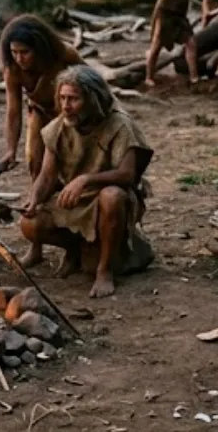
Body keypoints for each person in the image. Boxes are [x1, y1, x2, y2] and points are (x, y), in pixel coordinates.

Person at [19, 65, 156, 298]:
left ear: (93, 99)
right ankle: (76, 248)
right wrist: (34, 200)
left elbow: (127, 175)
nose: (65, 106)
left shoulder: (119, 124)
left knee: (112, 196)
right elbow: (47, 175)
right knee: (29, 224)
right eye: (62, 98)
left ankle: (105, 269)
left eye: (73, 99)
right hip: (77, 199)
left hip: (110, 198)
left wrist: (86, 179)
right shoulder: (59, 127)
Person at [0, 13, 85, 183]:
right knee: (35, 161)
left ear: (39, 48)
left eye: (25, 52)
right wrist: (11, 150)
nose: (19, 58)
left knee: (76, 160)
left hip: (71, 112)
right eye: (14, 52)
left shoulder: (64, 55)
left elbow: (92, 84)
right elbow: (13, 112)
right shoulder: (13, 71)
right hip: (40, 110)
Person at [145, 0, 210, 87]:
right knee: (157, 46)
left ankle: (194, 76)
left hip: (180, 17)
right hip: (167, 16)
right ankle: (148, 77)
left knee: (191, 43)